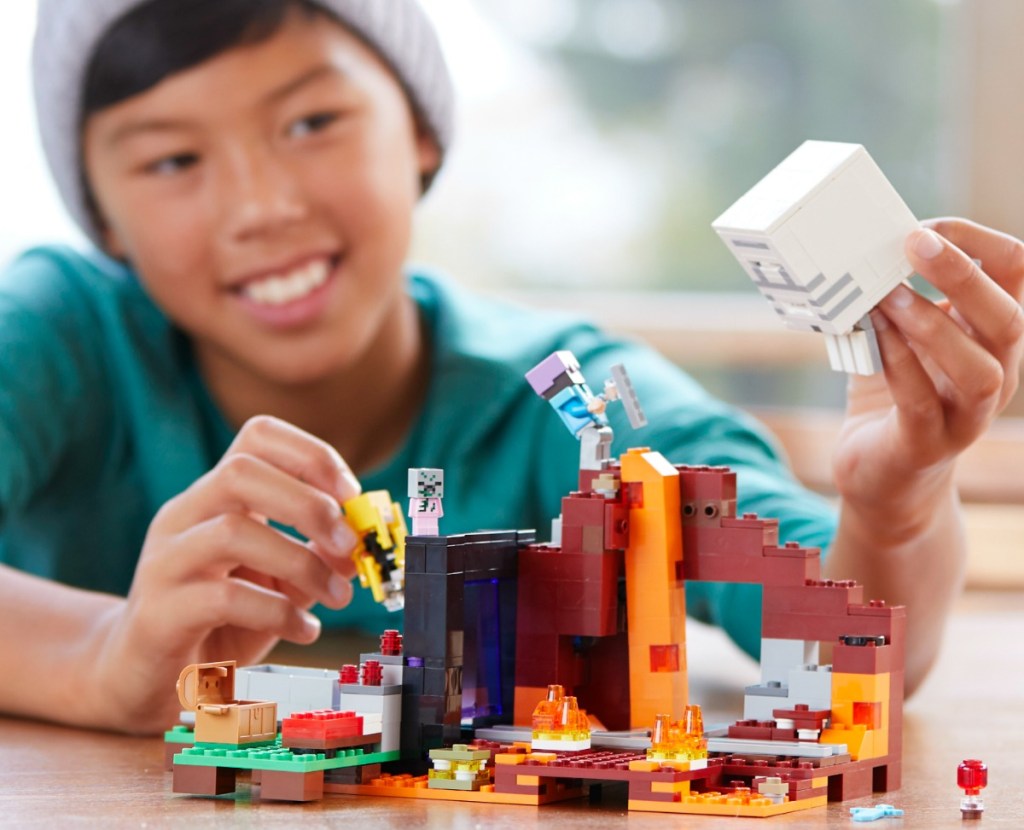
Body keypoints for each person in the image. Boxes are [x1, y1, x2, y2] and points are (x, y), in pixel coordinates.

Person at [1, 0, 1020, 735]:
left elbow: (860, 655)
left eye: (312, 122)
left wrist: (894, 505)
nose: (261, 205)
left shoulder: (570, 399)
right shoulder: (53, 332)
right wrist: (105, 656)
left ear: (422, 136)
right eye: (172, 159)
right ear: (101, 219)